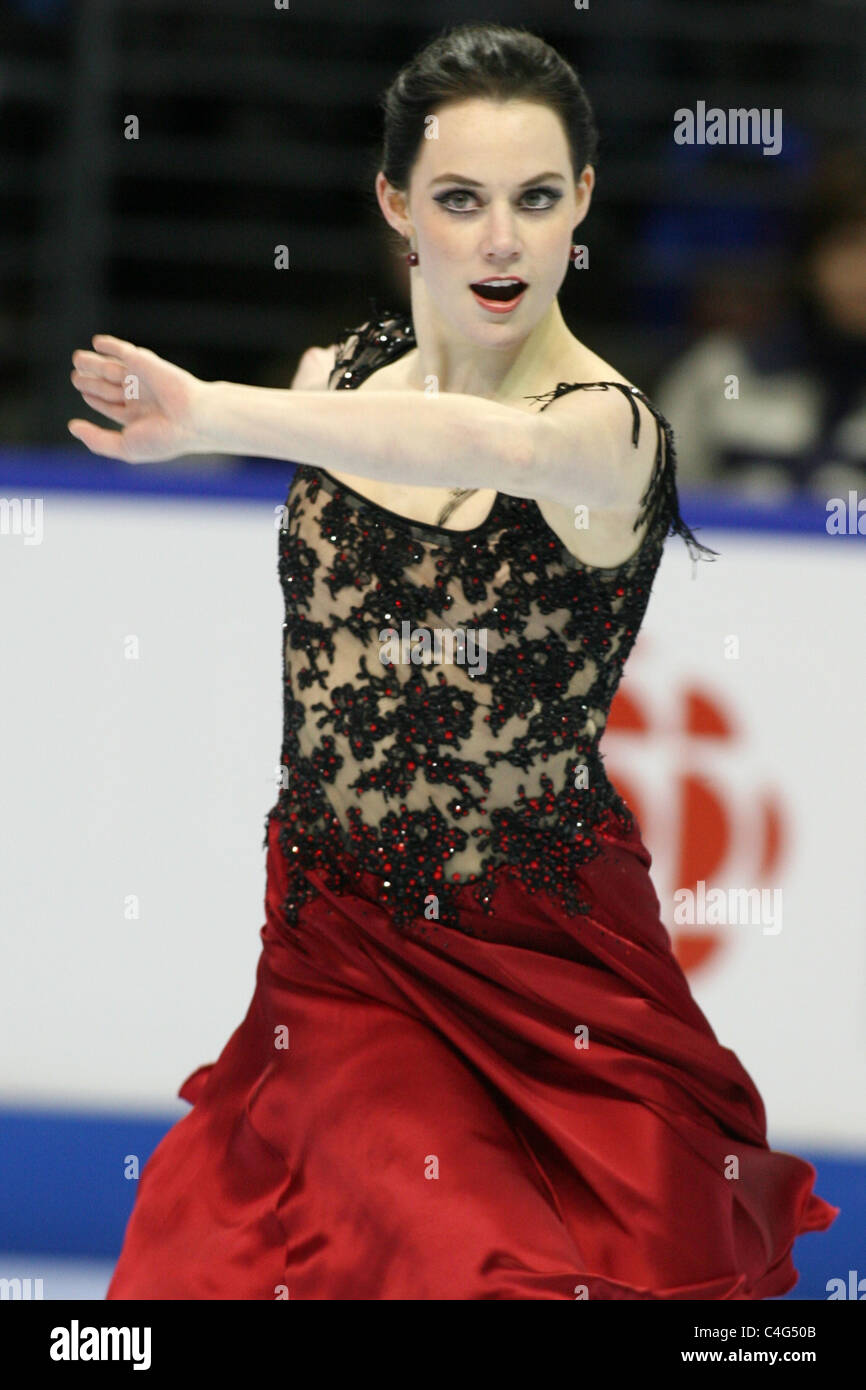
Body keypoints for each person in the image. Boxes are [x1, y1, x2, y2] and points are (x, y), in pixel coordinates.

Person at [68, 23, 837, 1300]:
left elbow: (494, 449)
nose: (499, 242)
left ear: (581, 202)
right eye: (460, 200)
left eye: (536, 200)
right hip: (329, 946)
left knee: (479, 1267)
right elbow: (396, 421)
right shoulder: (339, 376)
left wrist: (210, 415)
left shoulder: (608, 432)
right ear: (394, 203)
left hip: (538, 955)